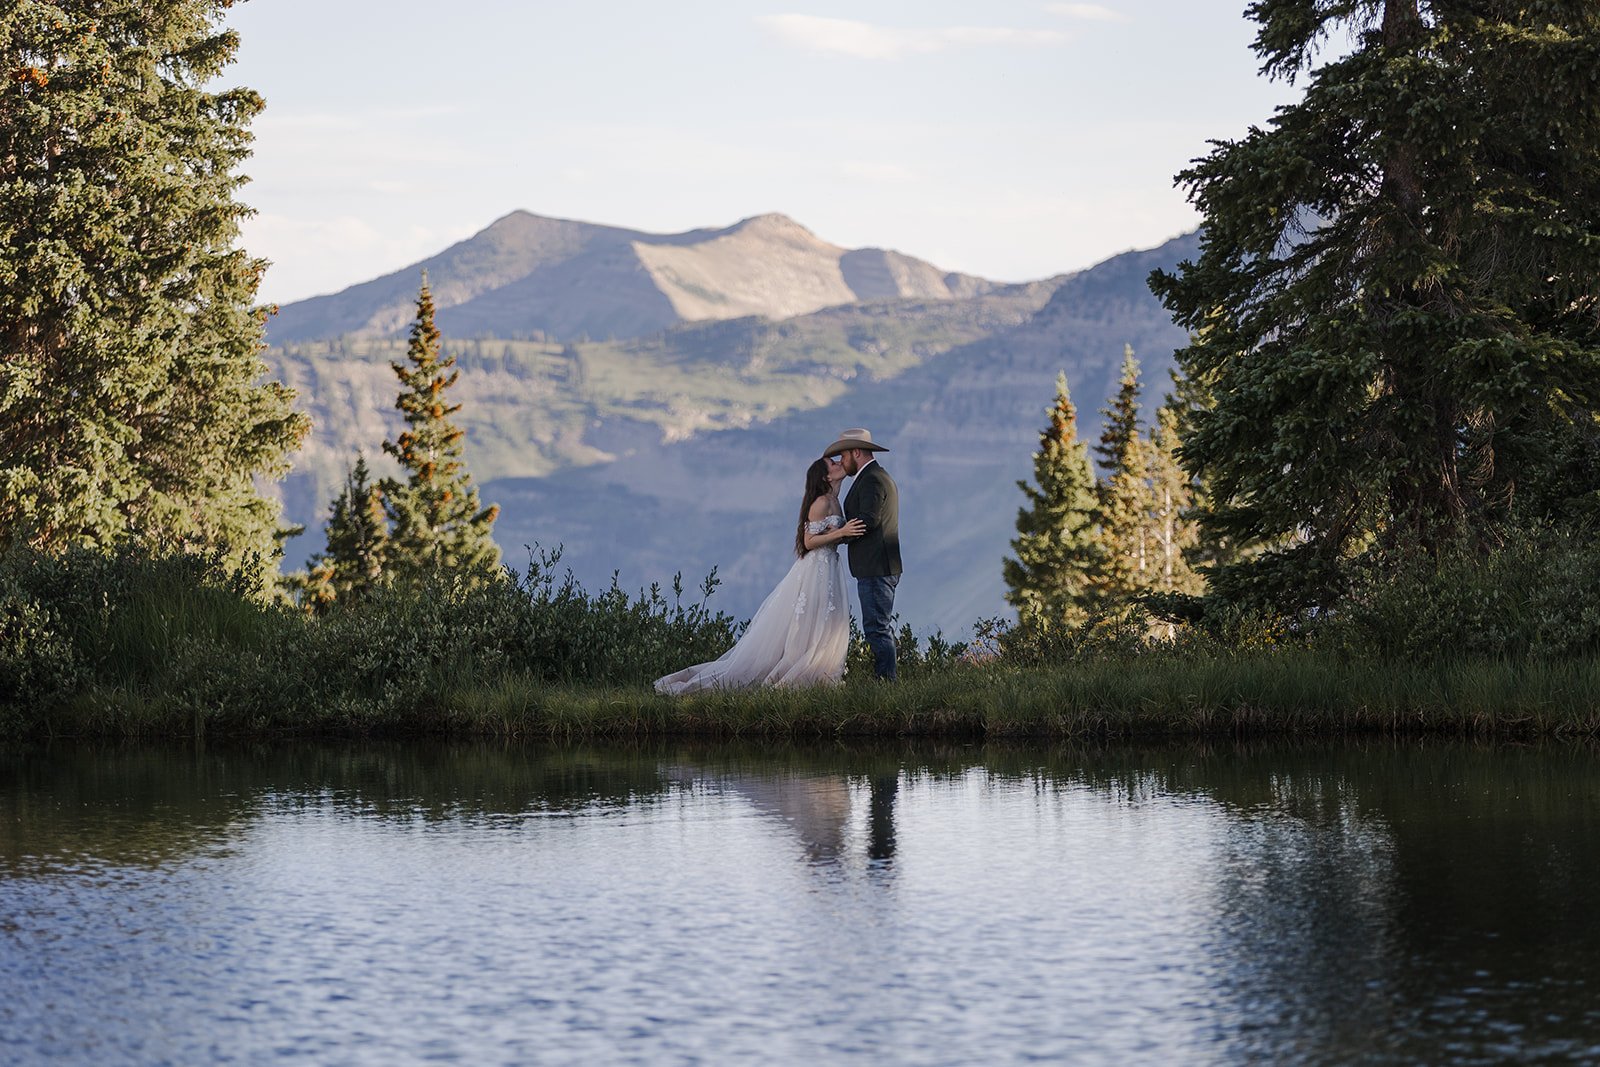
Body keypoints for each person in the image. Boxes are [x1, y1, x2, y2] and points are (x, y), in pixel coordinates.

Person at [654, 456, 865, 694]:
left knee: (825, 620)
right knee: (810, 620)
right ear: (826, 477)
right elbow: (808, 541)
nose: (839, 464)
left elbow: (832, 534)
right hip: (816, 569)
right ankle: (802, 673)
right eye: (834, 464)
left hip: (829, 568)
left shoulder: (834, 501)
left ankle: (822, 672)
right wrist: (842, 533)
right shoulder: (821, 503)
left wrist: (846, 534)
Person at [825, 427, 901, 681]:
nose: (842, 462)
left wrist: (839, 536)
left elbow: (867, 520)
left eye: (844, 456)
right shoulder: (872, 477)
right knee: (878, 627)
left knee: (876, 629)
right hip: (876, 566)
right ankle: (885, 680)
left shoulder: (872, 480)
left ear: (856, 452)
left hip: (876, 567)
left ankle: (886, 684)